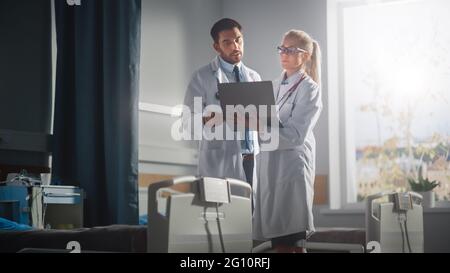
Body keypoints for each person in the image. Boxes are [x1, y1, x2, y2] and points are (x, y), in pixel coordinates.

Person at [253, 30, 323, 253]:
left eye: (291, 50)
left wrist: (259, 126)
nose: (284, 53)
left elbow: (295, 135)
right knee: (277, 244)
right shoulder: (272, 86)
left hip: (292, 170)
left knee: (292, 245)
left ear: (305, 56)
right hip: (270, 168)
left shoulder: (309, 89)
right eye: (282, 48)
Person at [183, 18, 261, 184]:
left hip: (252, 160)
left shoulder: (254, 77)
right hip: (220, 162)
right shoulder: (202, 77)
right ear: (216, 47)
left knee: (251, 209)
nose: (235, 46)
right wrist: (207, 119)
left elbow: (262, 123)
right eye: (227, 42)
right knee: (223, 209)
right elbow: (187, 122)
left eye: (238, 39)